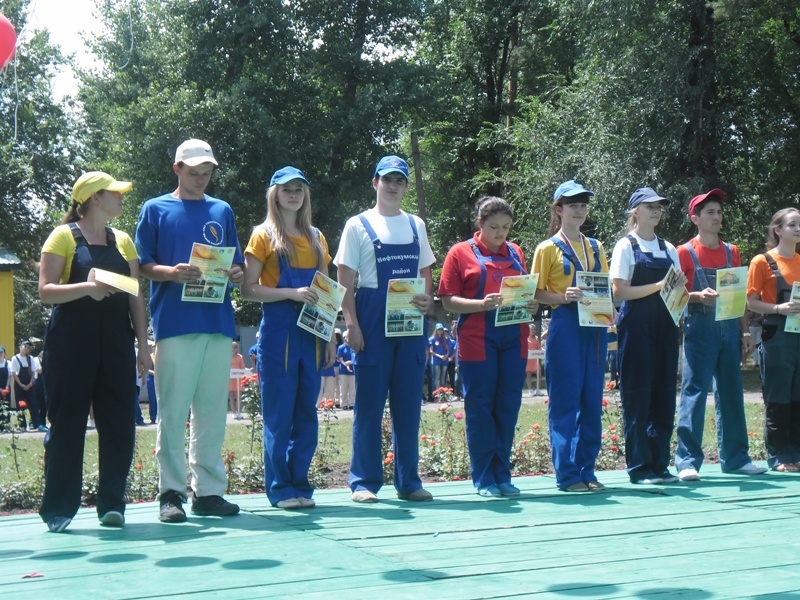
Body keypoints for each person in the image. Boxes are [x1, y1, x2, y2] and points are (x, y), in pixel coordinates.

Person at [135, 139, 243, 523]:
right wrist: (171, 272)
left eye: (207, 173)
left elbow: (238, 263)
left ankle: (209, 492)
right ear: (177, 169)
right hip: (175, 324)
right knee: (172, 410)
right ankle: (171, 493)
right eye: (194, 173)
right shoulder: (155, 209)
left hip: (217, 323)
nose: (201, 179)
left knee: (212, 411)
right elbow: (141, 264)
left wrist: (237, 273)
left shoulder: (221, 210)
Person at [37, 171, 150, 533]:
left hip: (117, 344)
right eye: (115, 193)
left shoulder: (123, 241)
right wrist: (86, 287)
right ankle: (58, 509)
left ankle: (112, 505)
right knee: (67, 425)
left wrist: (143, 346)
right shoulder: (62, 237)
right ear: (94, 198)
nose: (121, 197)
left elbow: (135, 294)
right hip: (70, 345)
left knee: (119, 425)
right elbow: (45, 291)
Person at [335, 155, 435, 503]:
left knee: (408, 403)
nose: (393, 186)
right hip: (372, 316)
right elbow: (344, 278)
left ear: (406, 186)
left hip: (410, 318)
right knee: (369, 404)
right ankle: (363, 482)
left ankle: (409, 482)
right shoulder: (357, 224)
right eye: (387, 179)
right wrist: (351, 324)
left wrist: (426, 299)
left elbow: (425, 270)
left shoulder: (416, 224)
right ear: (375, 182)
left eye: (399, 180)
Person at [242, 166, 336, 510]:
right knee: (279, 414)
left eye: (299, 188)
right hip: (278, 334)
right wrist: (290, 293)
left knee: (307, 414)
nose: (293, 194)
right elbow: (248, 290)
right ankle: (280, 488)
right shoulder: (263, 235)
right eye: (286, 189)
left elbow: (326, 291)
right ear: (275, 195)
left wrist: (330, 337)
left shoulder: (317, 237)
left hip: (312, 334)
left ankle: (300, 484)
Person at [439, 196, 539, 497]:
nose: (500, 233)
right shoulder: (459, 252)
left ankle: (502, 475)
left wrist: (531, 304)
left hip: (514, 338)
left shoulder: (516, 252)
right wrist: (481, 304)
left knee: (508, 406)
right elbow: (447, 300)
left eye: (506, 227)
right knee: (480, 408)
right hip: (477, 339)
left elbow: (525, 292)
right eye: (494, 227)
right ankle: (483, 478)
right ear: (479, 223)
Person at [675, 189, 767, 481]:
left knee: (731, 391)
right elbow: (672, 295)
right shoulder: (683, 252)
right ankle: (687, 461)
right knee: (694, 392)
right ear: (695, 219)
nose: (717, 217)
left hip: (729, 327)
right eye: (710, 212)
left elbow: (737, 296)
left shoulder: (732, 251)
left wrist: (745, 331)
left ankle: (737, 458)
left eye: (719, 212)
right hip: (699, 329)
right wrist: (697, 296)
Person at [532, 180, 609, 492]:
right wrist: (563, 297)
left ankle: (587, 470)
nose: (579, 210)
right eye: (573, 204)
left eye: (583, 204)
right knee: (565, 401)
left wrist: (610, 312)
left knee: (592, 400)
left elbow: (603, 285)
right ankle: (567, 474)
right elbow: (535, 292)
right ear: (559, 209)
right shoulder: (547, 248)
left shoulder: (597, 247)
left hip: (596, 326)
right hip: (564, 325)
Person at [610, 187, 685, 485]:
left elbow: (676, 294)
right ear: (635, 212)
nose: (656, 211)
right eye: (649, 206)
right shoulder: (625, 246)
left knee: (664, 396)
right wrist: (658, 286)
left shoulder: (670, 248)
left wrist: (681, 289)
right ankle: (640, 468)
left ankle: (660, 465)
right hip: (636, 329)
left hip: (666, 328)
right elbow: (619, 292)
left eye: (659, 206)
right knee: (638, 396)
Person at [746, 208, 800, 472]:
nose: (798, 229)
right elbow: (751, 302)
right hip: (776, 336)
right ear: (778, 230)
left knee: (798, 397)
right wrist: (779, 308)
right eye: (792, 224)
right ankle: (779, 456)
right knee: (778, 397)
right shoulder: (762, 261)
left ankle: (796, 453)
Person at [9, 340, 38, 430]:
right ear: (20, 347)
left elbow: (33, 372)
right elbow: (13, 373)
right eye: (25, 347)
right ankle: (22, 425)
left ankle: (36, 424)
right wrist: (21, 385)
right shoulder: (15, 358)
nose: (26, 349)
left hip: (30, 384)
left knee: (33, 403)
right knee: (20, 404)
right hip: (19, 384)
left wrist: (30, 383)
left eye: (28, 348)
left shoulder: (30, 358)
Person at [428, 323, 449, 391]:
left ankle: (443, 394)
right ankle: (436, 394)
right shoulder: (432, 339)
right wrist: (439, 356)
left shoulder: (445, 339)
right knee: (436, 378)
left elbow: (448, 350)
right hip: (436, 361)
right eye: (439, 329)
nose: (440, 331)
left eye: (441, 329)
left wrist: (446, 355)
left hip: (444, 361)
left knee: (443, 378)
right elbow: (431, 351)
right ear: (436, 330)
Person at [337, 337, 356, 410]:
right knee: (343, 388)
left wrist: (350, 362)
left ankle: (352, 404)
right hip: (343, 371)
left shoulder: (353, 346)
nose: (347, 339)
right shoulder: (341, 347)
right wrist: (345, 364)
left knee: (352, 388)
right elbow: (340, 358)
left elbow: (355, 356)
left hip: (352, 371)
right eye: (346, 337)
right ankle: (343, 404)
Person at [228, 341, 246, 420]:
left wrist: (247, 370)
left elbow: (243, 367)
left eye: (234, 348)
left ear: (237, 349)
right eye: (231, 348)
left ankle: (239, 412)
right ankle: (233, 412)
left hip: (238, 378)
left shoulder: (240, 357)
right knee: (231, 395)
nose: (233, 350)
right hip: (230, 378)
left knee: (238, 395)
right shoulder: (227, 356)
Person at [525, 324, 542, 396]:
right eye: (532, 329)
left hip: (535, 359)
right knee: (529, 374)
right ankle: (530, 390)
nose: (534, 331)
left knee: (539, 373)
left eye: (534, 329)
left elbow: (538, 347)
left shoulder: (536, 338)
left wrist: (542, 350)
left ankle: (538, 390)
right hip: (528, 359)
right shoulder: (526, 338)